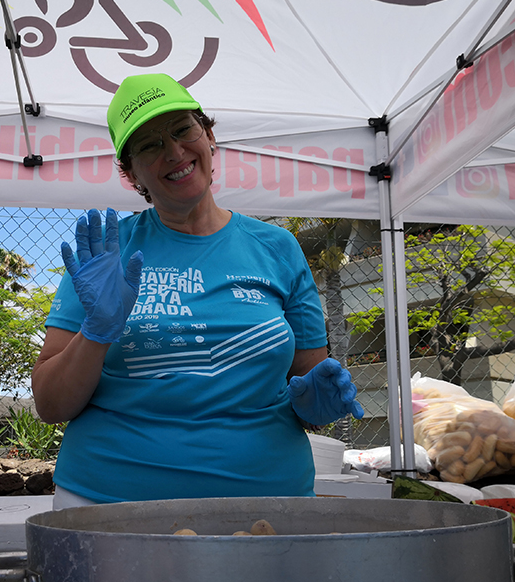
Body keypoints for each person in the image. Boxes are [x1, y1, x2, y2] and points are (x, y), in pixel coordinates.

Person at [32, 73, 363, 508]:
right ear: (131, 175)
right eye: (149, 144)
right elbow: (51, 404)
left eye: (183, 129)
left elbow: (308, 385)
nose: (173, 151)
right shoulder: (107, 257)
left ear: (208, 137)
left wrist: (319, 403)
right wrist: (97, 330)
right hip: (107, 500)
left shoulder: (277, 248)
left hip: (266, 497)